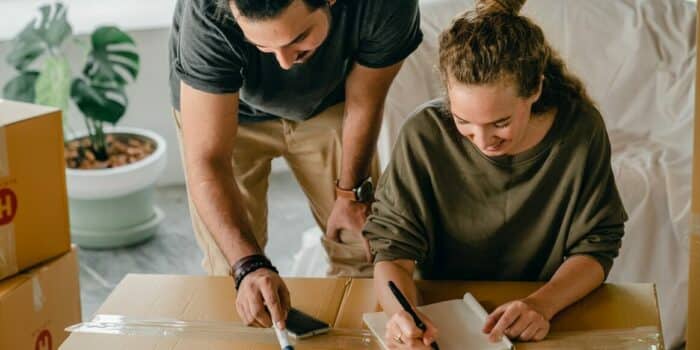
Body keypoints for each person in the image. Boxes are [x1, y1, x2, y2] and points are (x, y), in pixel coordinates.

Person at [363, 0, 627, 348]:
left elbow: (597, 246)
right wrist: (403, 312)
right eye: (463, 122)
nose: (483, 141)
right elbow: (392, 250)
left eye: (500, 123)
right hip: (440, 317)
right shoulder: (423, 134)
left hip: (539, 312)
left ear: (534, 90)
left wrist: (541, 304)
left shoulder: (579, 130)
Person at [168, 0, 422, 329]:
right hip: (224, 110)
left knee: (359, 248)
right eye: (260, 45)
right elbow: (208, 159)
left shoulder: (385, 6)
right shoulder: (208, 12)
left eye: (298, 38)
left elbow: (365, 102)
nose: (285, 63)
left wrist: (350, 194)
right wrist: (248, 266)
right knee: (232, 270)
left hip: (330, 102)